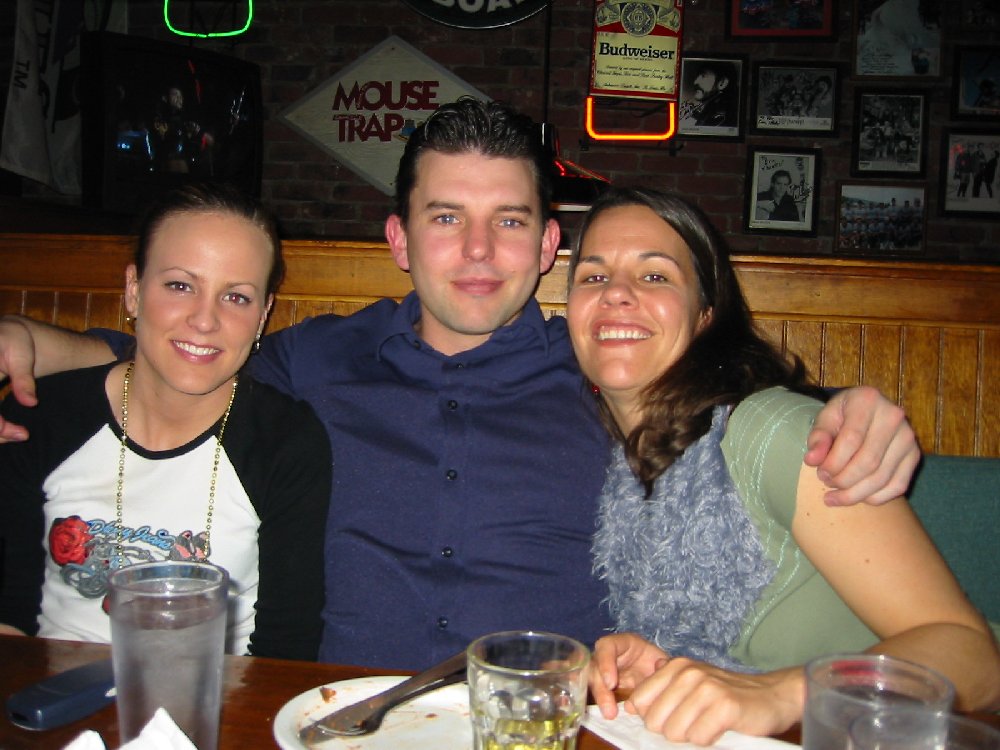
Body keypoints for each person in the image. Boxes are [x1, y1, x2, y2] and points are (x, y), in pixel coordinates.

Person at [0, 98, 921, 671]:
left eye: (509, 221)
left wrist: (857, 409)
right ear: (399, 241)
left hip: (541, 726)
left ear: (548, 245)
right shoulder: (317, 358)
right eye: (446, 218)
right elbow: (175, 353)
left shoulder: (608, 370)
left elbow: (734, 406)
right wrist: (26, 340)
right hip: (340, 720)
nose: (478, 252)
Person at [565, 187, 1000, 745]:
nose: (617, 294)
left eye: (655, 276)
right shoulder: (631, 472)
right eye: (594, 276)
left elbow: (975, 656)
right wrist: (666, 665)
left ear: (704, 316)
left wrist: (780, 693)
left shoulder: (773, 432)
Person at [0, 183, 331, 661]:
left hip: (216, 698)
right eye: (180, 286)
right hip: (47, 693)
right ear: (134, 290)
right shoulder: (43, 414)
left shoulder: (285, 441)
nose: (205, 319)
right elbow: (8, 610)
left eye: (236, 297)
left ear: (263, 316)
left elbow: (285, 647)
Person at [680, 62, 738, 129]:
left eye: (703, 76)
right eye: (697, 75)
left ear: (722, 83)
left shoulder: (720, 115)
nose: (695, 82)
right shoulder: (715, 107)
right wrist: (693, 113)